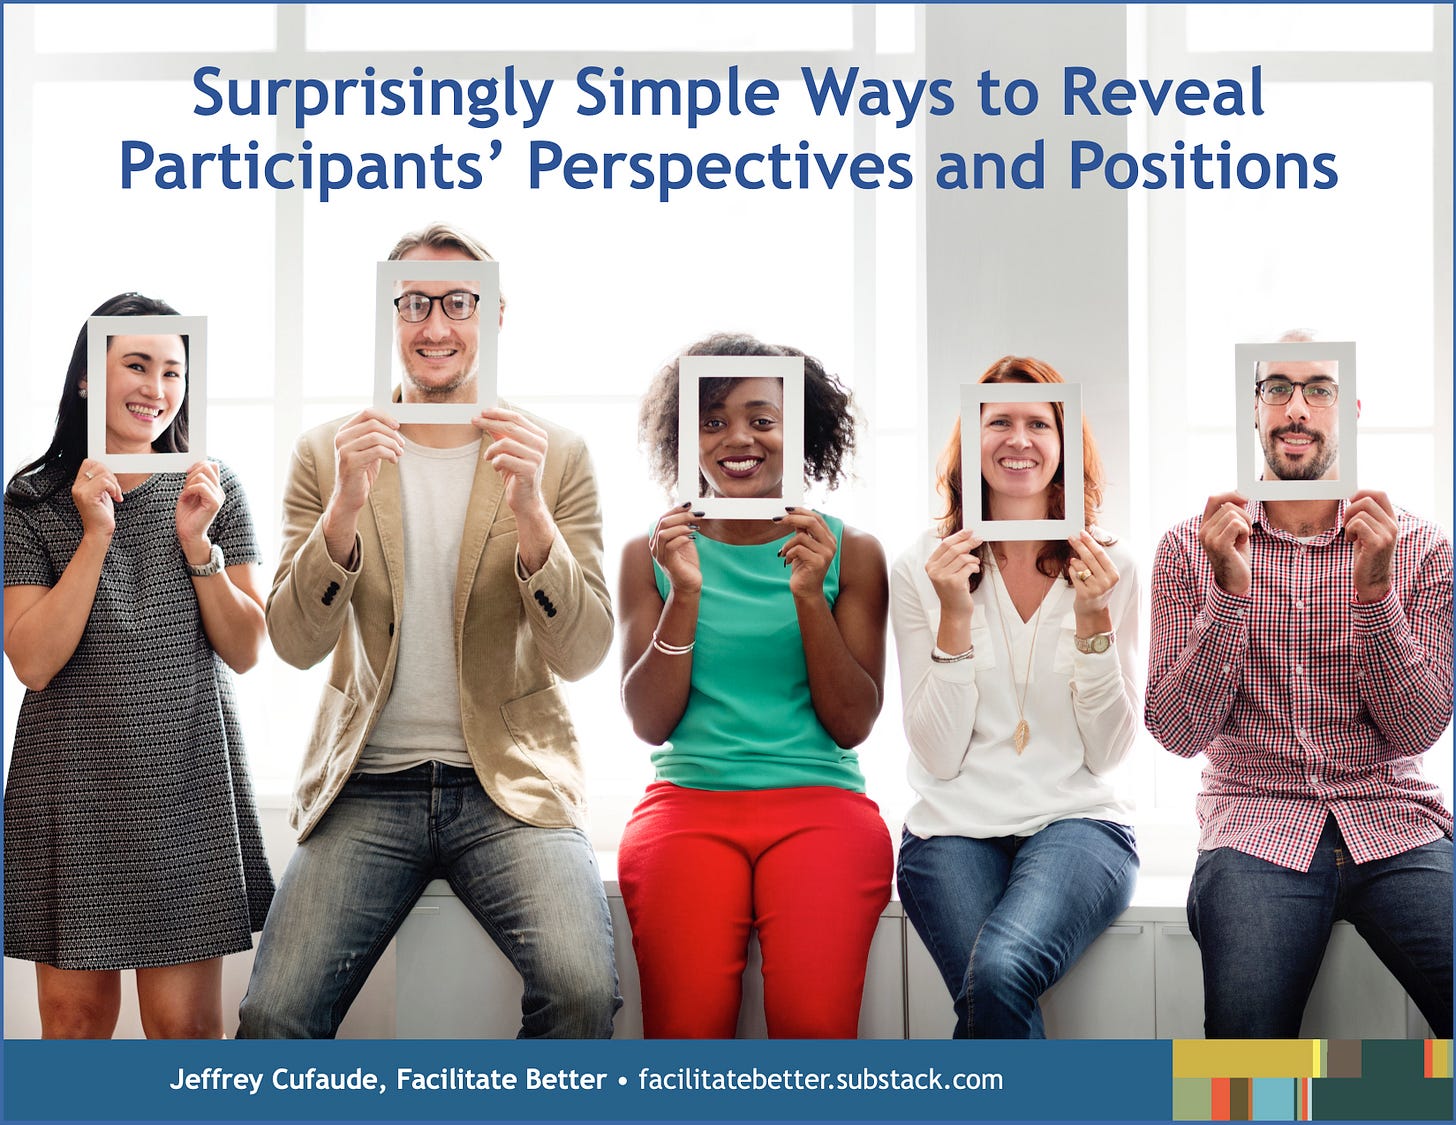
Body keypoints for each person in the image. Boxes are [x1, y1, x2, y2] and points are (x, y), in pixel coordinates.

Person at [236, 223, 619, 1039]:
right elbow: (296, 643)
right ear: (389, 316)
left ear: (497, 314)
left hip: (509, 787)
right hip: (369, 781)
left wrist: (533, 519)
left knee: (583, 991)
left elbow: (583, 652)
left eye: (458, 302)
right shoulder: (326, 452)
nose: (435, 325)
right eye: (414, 303)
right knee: (273, 1015)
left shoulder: (557, 455)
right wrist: (343, 504)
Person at [1145, 331, 1454, 1037]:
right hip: (1256, 825)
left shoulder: (1421, 546)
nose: (1297, 409)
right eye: (1276, 389)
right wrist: (1228, 593)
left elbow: (1418, 730)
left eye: (1319, 389)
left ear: (1347, 410)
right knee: (1243, 1054)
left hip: (1395, 822)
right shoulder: (1188, 547)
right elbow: (1175, 730)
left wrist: (1375, 591)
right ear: (1252, 409)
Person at [3, 293, 273, 1038]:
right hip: (70, 785)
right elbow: (31, 660)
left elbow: (248, 650)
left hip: (186, 783)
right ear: (89, 376)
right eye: (137, 364)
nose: (157, 387)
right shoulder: (32, 500)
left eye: (172, 371)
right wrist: (95, 535)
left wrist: (198, 545)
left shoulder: (211, 488)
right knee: (75, 1027)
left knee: (184, 1031)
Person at [617, 333, 892, 1038]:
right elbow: (650, 721)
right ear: (686, 440)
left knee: (811, 1030)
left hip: (820, 803)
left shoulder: (850, 552)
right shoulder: (650, 553)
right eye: (712, 421)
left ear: (799, 432)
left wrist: (806, 592)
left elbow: (853, 722)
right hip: (688, 803)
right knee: (684, 1037)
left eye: (761, 419)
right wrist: (684, 592)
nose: (737, 437)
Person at [890, 355, 1141, 1039]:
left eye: (1039, 422)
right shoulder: (923, 564)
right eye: (997, 420)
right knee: (994, 986)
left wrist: (1094, 620)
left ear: (1063, 447)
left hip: (1079, 823)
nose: (1019, 438)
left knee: (999, 972)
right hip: (952, 828)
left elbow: (1109, 751)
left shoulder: (1111, 566)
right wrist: (952, 615)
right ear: (971, 441)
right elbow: (938, 756)